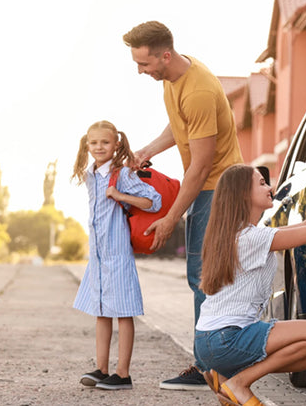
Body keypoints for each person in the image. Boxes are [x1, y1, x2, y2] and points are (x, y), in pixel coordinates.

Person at [122, 20, 243, 390]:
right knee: (206, 277)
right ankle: (211, 363)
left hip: (218, 188)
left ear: (165, 55)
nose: (141, 72)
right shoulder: (176, 80)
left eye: (144, 64)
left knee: (206, 277)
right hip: (208, 185)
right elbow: (179, 127)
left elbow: (201, 165)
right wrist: (146, 150)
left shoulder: (199, 90)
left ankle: (209, 367)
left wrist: (172, 218)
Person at [194, 164, 306, 405]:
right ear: (243, 195)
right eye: (261, 183)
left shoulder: (244, 234)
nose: (270, 187)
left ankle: (229, 377)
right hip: (226, 338)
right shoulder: (252, 238)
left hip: (211, 340)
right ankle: (238, 383)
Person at [72, 120, 162, 390]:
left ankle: (122, 373)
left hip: (118, 254)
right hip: (98, 257)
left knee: (123, 313)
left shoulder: (120, 174)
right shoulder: (89, 174)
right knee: (101, 312)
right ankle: (101, 369)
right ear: (87, 146)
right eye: (94, 142)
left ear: (116, 145)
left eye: (105, 142)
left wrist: (119, 195)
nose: (99, 147)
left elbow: (153, 200)